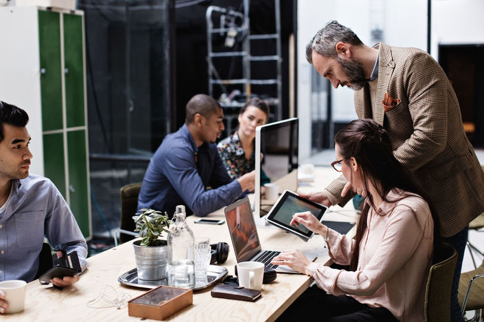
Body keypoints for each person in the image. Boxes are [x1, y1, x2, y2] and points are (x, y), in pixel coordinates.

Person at [304, 20, 484, 321]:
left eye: (330, 74)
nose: (334, 84)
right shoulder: (361, 90)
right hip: (409, 200)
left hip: (448, 196)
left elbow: (431, 137)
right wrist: (332, 192)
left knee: (438, 299)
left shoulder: (414, 64)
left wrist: (376, 176)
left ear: (343, 50)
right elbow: (367, 154)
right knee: (408, 292)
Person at [272, 119, 439, 321]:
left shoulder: (406, 212)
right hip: (366, 300)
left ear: (354, 164)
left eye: (338, 163)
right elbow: (365, 257)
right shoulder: (376, 200)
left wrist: (309, 267)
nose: (340, 170)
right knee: (291, 309)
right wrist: (322, 230)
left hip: (388, 313)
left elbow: (366, 281)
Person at [0, 101, 87, 314]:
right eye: (17, 146)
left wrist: (69, 269)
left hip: (34, 307)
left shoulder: (42, 191)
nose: (28, 155)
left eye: (28, 144)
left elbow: (74, 243)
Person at [138, 94, 255, 217]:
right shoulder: (176, 150)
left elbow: (224, 185)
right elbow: (200, 204)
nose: (222, 127)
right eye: (218, 122)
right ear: (199, 120)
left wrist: (251, 190)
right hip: (157, 231)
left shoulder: (208, 146)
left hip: (186, 222)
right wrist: (242, 183)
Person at [217, 97, 269, 180]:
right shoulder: (224, 147)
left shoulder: (257, 145)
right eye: (250, 118)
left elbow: (262, 178)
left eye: (260, 122)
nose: (254, 124)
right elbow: (235, 184)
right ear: (240, 117)